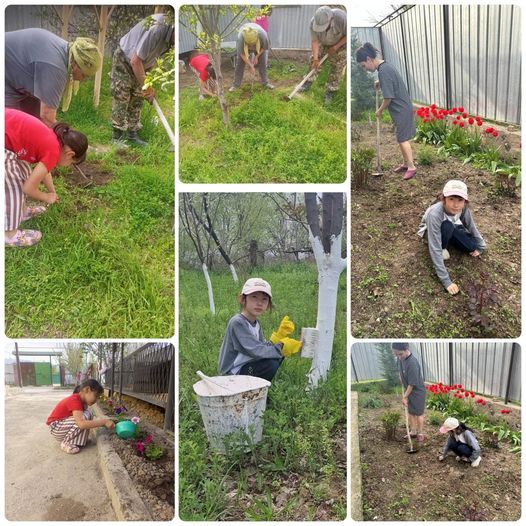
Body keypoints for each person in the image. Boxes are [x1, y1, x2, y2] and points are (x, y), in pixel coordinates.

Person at [5, 108, 88, 247]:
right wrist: (46, 197)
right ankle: (9, 235)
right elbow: (28, 189)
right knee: (14, 185)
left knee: (24, 169)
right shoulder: (53, 151)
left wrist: (52, 191)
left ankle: (21, 210)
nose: (68, 166)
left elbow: (45, 171)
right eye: (71, 164)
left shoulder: (53, 141)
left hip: (8, 140)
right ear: (70, 154)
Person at [5, 29, 101, 126]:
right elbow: (47, 116)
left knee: (31, 122)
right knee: (11, 125)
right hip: (6, 72)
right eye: (84, 75)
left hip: (16, 73)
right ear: (76, 64)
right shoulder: (56, 67)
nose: (83, 80)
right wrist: (67, 136)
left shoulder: (66, 50)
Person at [218, 278, 302, 382]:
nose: (259, 303)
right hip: (232, 374)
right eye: (254, 297)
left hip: (246, 366)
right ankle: (251, 392)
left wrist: (277, 338)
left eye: (264, 299)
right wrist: (281, 347)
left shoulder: (256, 323)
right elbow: (256, 351)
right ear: (243, 299)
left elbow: (261, 348)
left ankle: (257, 389)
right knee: (271, 362)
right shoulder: (238, 322)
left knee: (275, 356)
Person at [111, 12, 175, 146]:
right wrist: (147, 86)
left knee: (138, 96)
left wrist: (147, 84)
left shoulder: (171, 39)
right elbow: (135, 60)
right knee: (122, 94)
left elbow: (152, 58)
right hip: (125, 59)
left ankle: (132, 136)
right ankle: (117, 137)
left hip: (142, 63)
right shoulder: (157, 29)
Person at [355, 42, 416, 179]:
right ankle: (406, 164)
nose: (365, 69)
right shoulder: (385, 66)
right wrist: (380, 83)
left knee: (402, 138)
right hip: (402, 107)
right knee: (400, 137)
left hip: (401, 109)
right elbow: (391, 81)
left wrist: (380, 110)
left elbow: (388, 97)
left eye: (364, 66)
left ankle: (411, 167)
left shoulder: (383, 71)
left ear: (369, 59)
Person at [417, 180, 486, 295]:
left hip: (452, 227)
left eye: (460, 200)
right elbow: (434, 248)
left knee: (472, 246)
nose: (456, 205)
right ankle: (444, 246)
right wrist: (446, 281)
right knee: (447, 226)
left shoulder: (463, 208)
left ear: (465, 201)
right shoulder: (435, 213)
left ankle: (450, 239)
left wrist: (481, 246)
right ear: (444, 199)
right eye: (451, 199)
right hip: (430, 232)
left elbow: (471, 226)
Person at [46, 379, 115, 455]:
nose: (96, 400)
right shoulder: (74, 399)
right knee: (84, 418)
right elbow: (81, 424)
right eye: (95, 396)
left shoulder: (81, 402)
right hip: (56, 427)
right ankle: (66, 443)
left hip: (61, 427)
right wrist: (104, 422)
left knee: (87, 414)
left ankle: (78, 441)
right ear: (87, 389)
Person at [302, 6, 347, 105]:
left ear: (331, 19)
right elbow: (314, 41)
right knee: (313, 60)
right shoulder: (313, 22)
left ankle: (331, 91)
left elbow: (349, 34)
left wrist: (336, 47)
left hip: (341, 43)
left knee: (337, 66)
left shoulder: (342, 18)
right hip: (324, 42)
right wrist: (316, 59)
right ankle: (307, 83)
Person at [392, 343, 427, 442]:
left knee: (418, 414)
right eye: (396, 354)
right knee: (411, 413)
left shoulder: (412, 363)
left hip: (417, 392)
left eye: (400, 354)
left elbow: (412, 384)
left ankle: (420, 433)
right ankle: (413, 432)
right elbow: (401, 370)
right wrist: (401, 377)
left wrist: (404, 397)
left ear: (407, 349)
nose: (398, 357)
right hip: (408, 390)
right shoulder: (401, 359)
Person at [229, 23, 274, 92]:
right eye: (249, 45)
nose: (251, 47)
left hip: (260, 47)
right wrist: (250, 65)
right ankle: (236, 85)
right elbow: (242, 54)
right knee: (239, 64)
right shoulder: (241, 37)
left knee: (263, 63)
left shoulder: (263, 35)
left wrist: (257, 56)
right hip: (244, 48)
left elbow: (265, 47)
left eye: (252, 44)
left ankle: (265, 83)